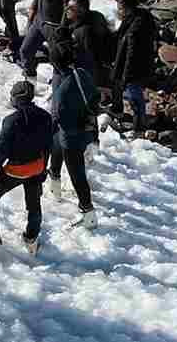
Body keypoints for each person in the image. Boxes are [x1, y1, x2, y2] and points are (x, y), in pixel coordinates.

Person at [0, 80, 54, 256]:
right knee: (34, 206)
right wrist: (43, 169)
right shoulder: (45, 116)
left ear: (16, 98)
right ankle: (31, 240)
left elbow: (1, 151)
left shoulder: (11, 120)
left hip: (16, 170)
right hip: (37, 167)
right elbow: (48, 146)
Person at [47, 42, 100, 227]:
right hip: (87, 129)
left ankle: (88, 213)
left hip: (72, 138)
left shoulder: (61, 90)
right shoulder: (81, 73)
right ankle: (54, 185)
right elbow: (95, 96)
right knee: (57, 143)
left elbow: (57, 117)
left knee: (77, 175)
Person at [108, 0, 159, 133]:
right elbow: (119, 36)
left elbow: (132, 54)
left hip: (135, 68)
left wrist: (126, 74)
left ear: (128, 8)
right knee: (124, 90)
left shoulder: (135, 29)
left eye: (120, 9)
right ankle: (121, 114)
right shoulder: (135, 18)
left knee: (134, 97)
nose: (118, 11)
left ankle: (139, 128)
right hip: (134, 64)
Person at [66, 0, 116, 89]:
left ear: (81, 11)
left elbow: (91, 57)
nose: (67, 9)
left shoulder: (84, 31)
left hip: (95, 72)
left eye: (71, 8)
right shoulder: (95, 16)